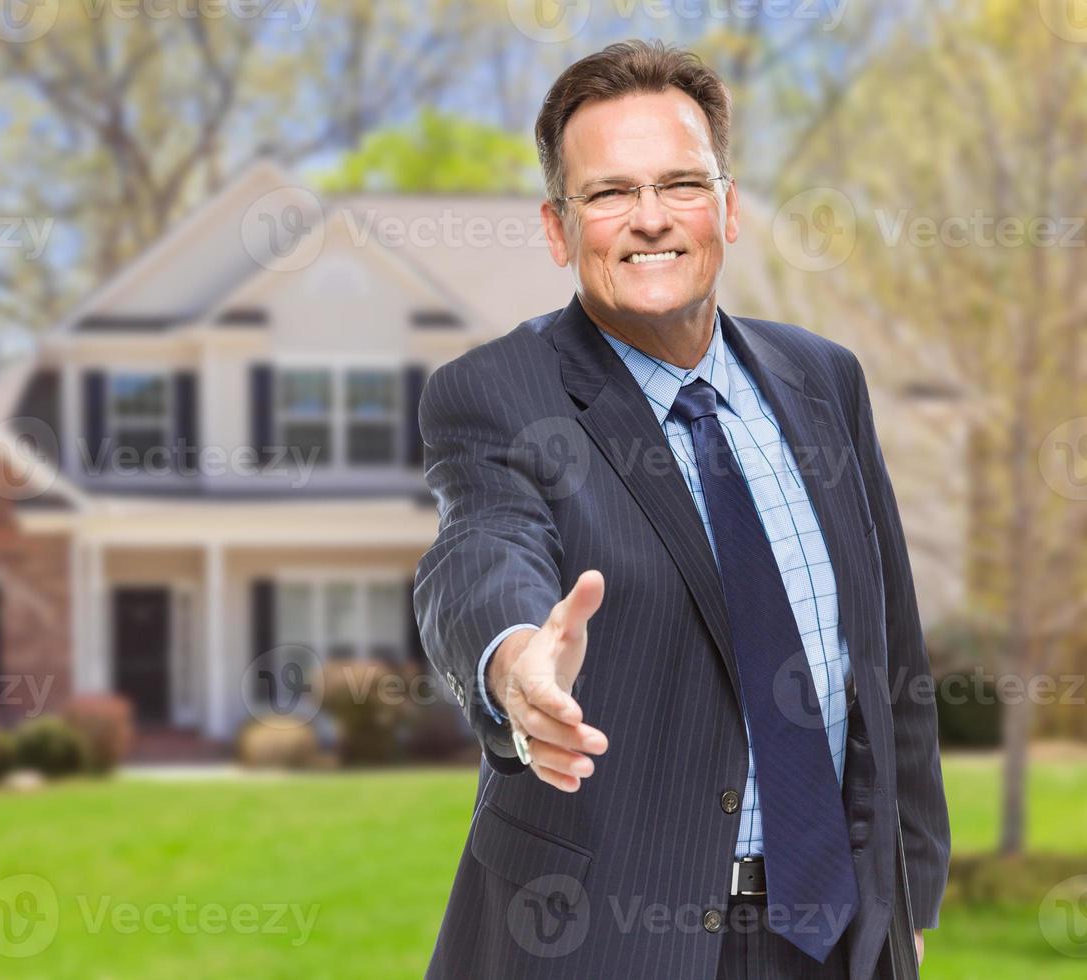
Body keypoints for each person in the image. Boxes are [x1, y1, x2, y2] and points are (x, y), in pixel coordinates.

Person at [413, 40, 949, 979]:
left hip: (833, 935)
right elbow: (480, 549)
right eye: (611, 192)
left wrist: (907, 899)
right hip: (609, 939)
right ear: (558, 227)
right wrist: (512, 664)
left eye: (682, 185)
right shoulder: (498, 393)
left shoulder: (824, 380)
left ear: (728, 207)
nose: (651, 220)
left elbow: (888, 650)